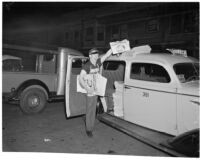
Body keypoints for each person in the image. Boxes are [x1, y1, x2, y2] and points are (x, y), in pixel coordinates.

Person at [79, 48, 112, 138]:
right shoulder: (87, 66)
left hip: (96, 90)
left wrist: (114, 47)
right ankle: (88, 129)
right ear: (90, 55)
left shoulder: (97, 62)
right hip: (90, 91)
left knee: (93, 110)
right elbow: (80, 78)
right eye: (94, 53)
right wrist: (86, 88)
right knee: (90, 111)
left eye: (97, 53)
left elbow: (106, 55)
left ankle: (90, 125)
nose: (97, 55)